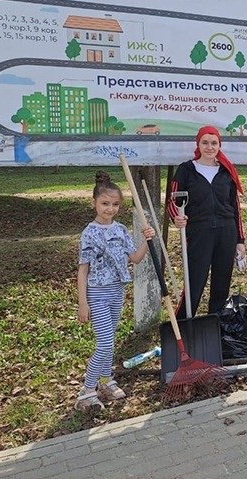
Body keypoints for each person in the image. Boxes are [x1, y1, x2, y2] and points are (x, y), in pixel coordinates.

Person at [76, 171, 155, 412]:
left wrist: (147, 241)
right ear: (94, 204)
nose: (110, 209)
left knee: (109, 341)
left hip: (116, 292)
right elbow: (82, 271)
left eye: (115, 204)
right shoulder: (89, 233)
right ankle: (87, 391)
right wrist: (83, 303)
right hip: (97, 294)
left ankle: (106, 381)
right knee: (105, 343)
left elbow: (135, 259)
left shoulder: (120, 230)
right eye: (105, 203)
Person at [167, 125, 245, 318]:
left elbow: (235, 207)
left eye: (214, 143)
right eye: (205, 143)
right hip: (199, 232)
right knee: (195, 280)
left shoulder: (227, 172)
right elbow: (172, 200)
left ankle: (215, 323)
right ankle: (183, 324)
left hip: (226, 232)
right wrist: (176, 217)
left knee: (222, 282)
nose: (209, 147)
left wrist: (240, 241)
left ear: (219, 145)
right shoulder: (186, 170)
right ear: (198, 144)